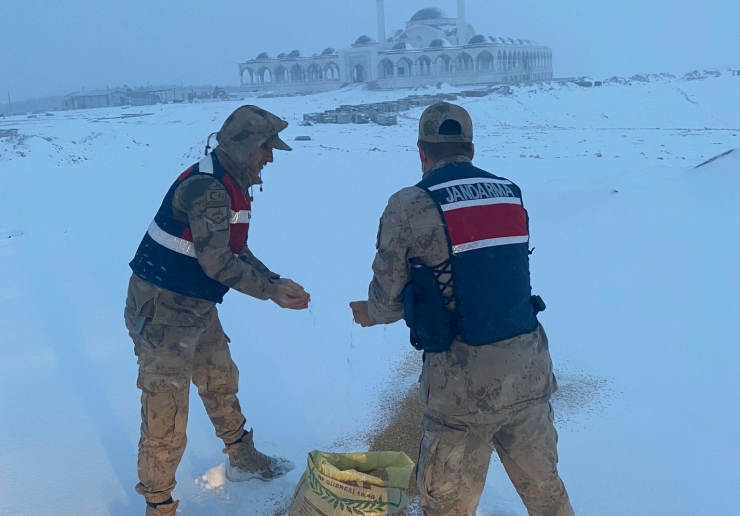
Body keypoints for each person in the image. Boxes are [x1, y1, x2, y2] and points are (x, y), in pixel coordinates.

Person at [350, 103, 574, 516]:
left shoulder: (409, 204)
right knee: (547, 496)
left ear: (422, 152)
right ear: (470, 149)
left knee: (446, 507)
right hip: (529, 372)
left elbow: (386, 300)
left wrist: (371, 312)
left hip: (461, 388)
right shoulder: (509, 191)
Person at [124, 105, 311, 516]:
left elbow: (232, 247)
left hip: (196, 305)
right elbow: (217, 264)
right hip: (162, 313)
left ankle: (242, 460)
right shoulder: (208, 189)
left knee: (220, 378)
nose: (271, 157)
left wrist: (273, 279)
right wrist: (270, 292)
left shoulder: (231, 182)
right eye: (266, 147)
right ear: (245, 147)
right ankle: (158, 503)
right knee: (166, 413)